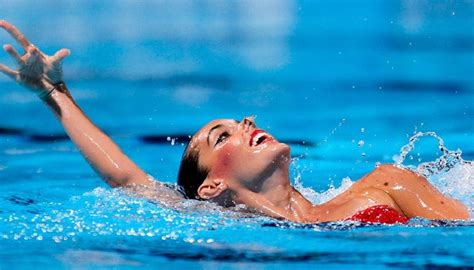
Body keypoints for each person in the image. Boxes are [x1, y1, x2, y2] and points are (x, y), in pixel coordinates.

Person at [0, 20, 468, 224]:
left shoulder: (387, 186)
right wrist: (54, 94)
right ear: (210, 188)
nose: (245, 121)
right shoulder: (202, 214)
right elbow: (124, 176)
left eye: (233, 121)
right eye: (221, 135)